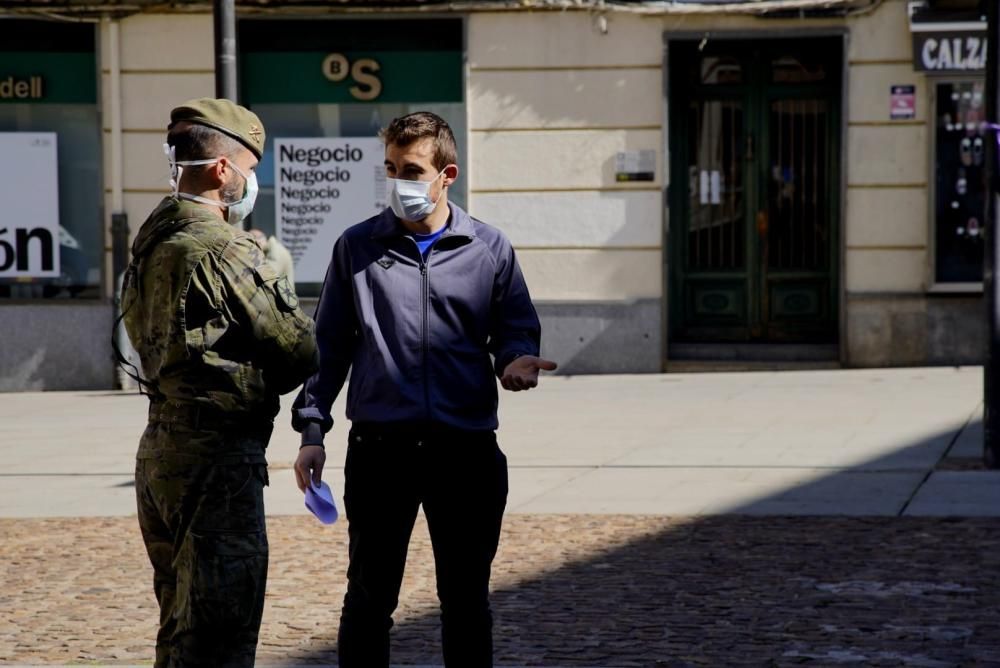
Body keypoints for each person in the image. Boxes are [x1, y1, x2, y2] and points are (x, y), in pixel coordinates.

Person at [292, 111, 557, 667]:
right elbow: (330, 345)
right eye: (389, 168)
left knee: (465, 603)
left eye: (410, 170)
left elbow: (515, 327)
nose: (397, 182)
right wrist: (312, 429)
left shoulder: (489, 247)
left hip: (465, 452)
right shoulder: (356, 247)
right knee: (368, 600)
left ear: (446, 174)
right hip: (380, 452)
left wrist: (515, 360)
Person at [118, 98, 318, 667]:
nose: (252, 182)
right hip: (217, 459)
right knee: (220, 628)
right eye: (251, 170)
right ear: (224, 170)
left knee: (179, 617)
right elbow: (297, 352)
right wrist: (277, 279)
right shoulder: (224, 248)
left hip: (161, 451)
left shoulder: (153, 238)